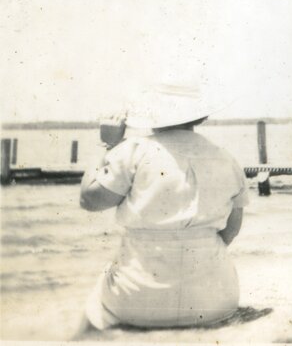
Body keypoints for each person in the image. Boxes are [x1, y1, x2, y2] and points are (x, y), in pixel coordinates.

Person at [77, 81, 249, 334]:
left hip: (137, 298)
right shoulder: (227, 158)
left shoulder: (133, 150)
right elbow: (231, 230)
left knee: (94, 306)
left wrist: (106, 146)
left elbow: (89, 201)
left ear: (151, 113)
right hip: (215, 299)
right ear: (200, 116)